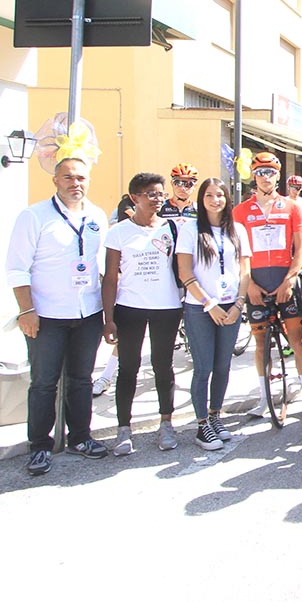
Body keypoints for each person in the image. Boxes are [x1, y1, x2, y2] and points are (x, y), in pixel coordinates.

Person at [7, 157, 110, 475]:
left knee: (81, 380)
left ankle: (80, 438)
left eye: (81, 177)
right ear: (55, 180)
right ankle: (39, 446)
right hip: (46, 315)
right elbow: (16, 268)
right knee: (43, 383)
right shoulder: (33, 216)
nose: (75, 183)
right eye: (68, 177)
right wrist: (26, 310)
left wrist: (108, 315)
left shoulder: (97, 216)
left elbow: (101, 267)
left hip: (87, 313)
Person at [102, 172, 185, 454]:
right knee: (128, 368)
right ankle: (123, 428)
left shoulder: (174, 229)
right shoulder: (118, 232)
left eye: (161, 194)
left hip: (167, 308)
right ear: (134, 198)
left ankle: (166, 423)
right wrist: (108, 317)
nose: (157, 199)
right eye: (151, 194)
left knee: (163, 367)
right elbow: (110, 277)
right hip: (130, 308)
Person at [234, 152, 302, 417]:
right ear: (254, 176)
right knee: (260, 344)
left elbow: (301, 246)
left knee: (298, 340)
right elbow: (236, 252)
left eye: (270, 172)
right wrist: (247, 286)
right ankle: (263, 399)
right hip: (256, 282)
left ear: (278, 176)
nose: (265, 177)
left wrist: (291, 278)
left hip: (285, 282)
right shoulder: (240, 211)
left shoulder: (292, 207)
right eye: (260, 172)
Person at [176, 178, 250, 450]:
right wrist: (210, 305)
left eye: (220, 195)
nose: (215, 200)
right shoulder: (190, 229)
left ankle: (216, 416)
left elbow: (245, 271)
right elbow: (185, 273)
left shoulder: (238, 230)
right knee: (203, 367)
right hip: (201, 309)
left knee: (222, 366)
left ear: (227, 199)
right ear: (201, 199)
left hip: (232, 307)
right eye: (209, 195)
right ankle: (201, 425)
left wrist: (239, 304)